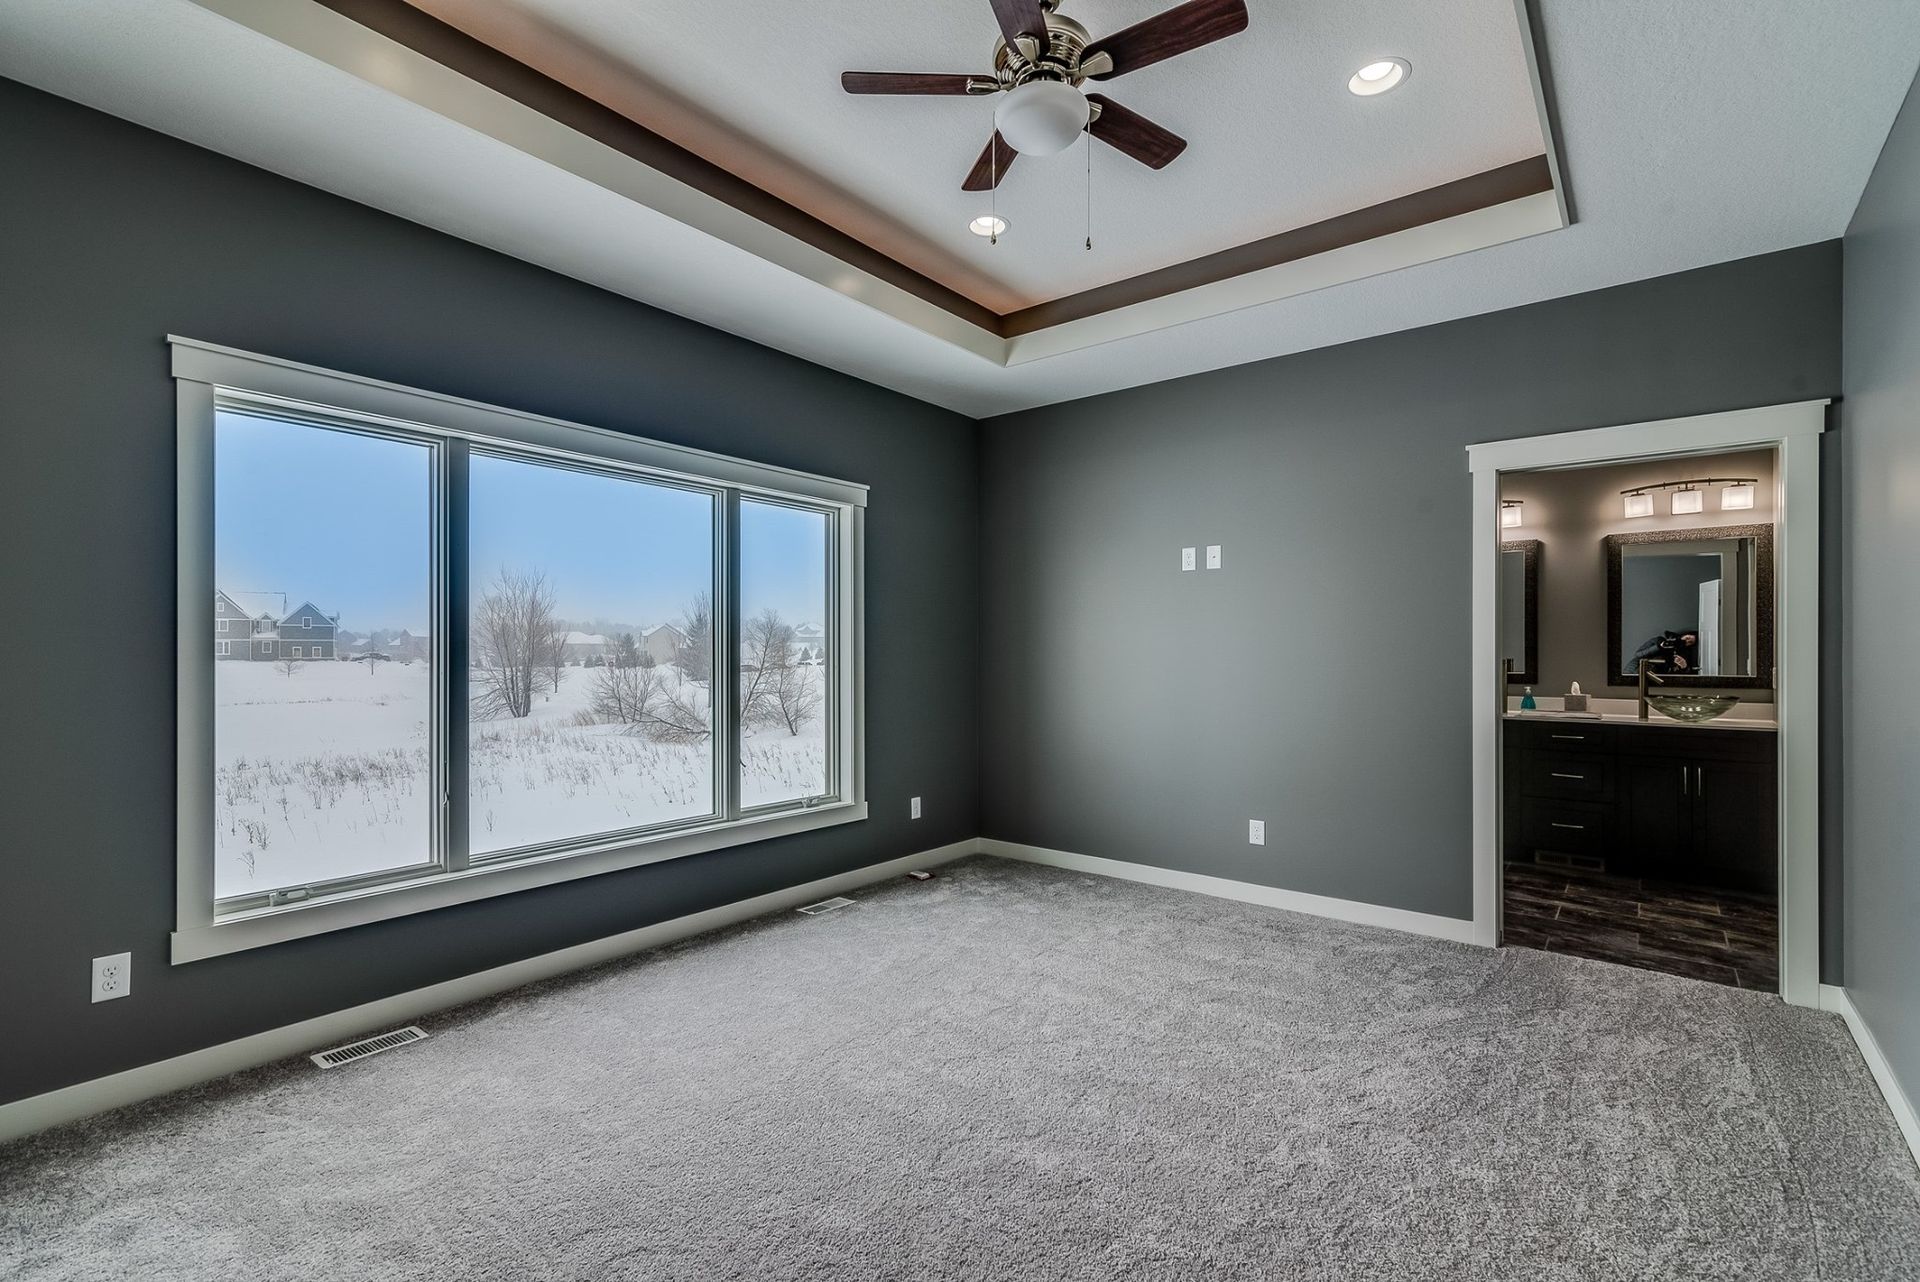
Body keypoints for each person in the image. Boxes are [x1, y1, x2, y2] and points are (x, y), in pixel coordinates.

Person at [1631, 629, 1699, 673]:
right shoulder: (1658, 640)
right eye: (1687, 638)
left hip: (1654, 678)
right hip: (1634, 671)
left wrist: (1684, 667)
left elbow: (1677, 675)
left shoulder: (1684, 654)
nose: (1687, 641)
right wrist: (1659, 647)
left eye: (1690, 642)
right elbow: (1638, 655)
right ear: (1684, 634)